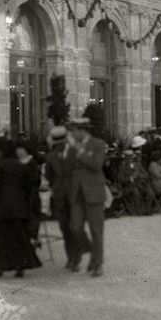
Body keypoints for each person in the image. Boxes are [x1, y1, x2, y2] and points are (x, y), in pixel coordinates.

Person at [0, 138, 41, 278]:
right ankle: (20, 266)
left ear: (0, 151)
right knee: (19, 238)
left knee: (0, 238)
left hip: (1, 207)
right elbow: (29, 185)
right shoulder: (19, 165)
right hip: (19, 207)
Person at [45, 127, 91, 270]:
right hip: (60, 197)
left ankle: (75, 259)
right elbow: (49, 176)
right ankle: (71, 257)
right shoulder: (51, 156)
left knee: (75, 227)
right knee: (65, 228)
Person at [67, 118, 107, 277]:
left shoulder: (98, 144)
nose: (71, 134)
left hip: (94, 193)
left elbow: (96, 165)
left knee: (96, 230)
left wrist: (79, 151)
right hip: (77, 193)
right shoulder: (71, 147)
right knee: (75, 227)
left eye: (73, 130)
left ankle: (98, 263)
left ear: (82, 130)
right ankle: (90, 249)